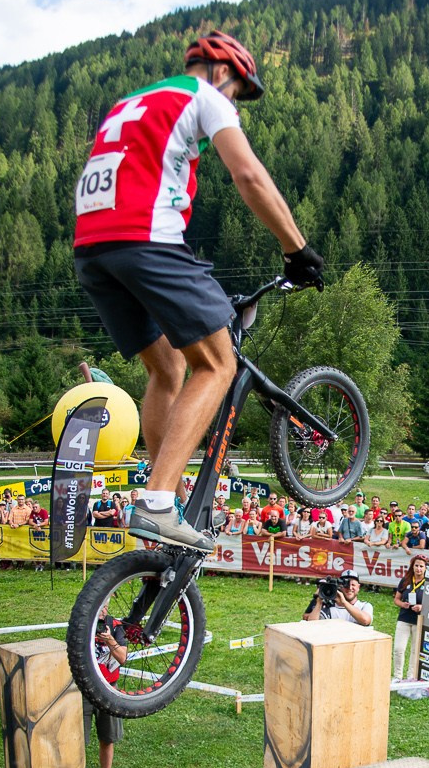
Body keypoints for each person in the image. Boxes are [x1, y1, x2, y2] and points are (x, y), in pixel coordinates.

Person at [70, 30, 321, 551]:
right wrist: (296, 249)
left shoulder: (130, 102)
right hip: (146, 239)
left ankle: (164, 500)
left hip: (92, 247)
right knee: (219, 363)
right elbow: (248, 175)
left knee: (169, 367)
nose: (234, 103)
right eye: (237, 92)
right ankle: (158, 502)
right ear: (222, 71)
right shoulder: (204, 97)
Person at [88, 617, 129, 768]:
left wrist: (109, 640)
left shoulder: (116, 626)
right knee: (76, 738)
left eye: (107, 603)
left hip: (109, 689)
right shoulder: (85, 622)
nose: (104, 607)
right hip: (85, 690)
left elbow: (122, 658)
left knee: (108, 738)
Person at [391, 556, 427, 680]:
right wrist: (403, 604)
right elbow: (396, 599)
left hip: (419, 620)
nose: (418, 568)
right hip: (404, 618)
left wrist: (422, 607)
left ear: (425, 568)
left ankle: (411, 676)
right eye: (416, 565)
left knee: (415, 650)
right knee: (398, 648)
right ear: (412, 566)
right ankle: (397, 676)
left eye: (421, 566)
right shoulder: (406, 580)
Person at [303, 570, 372, 626]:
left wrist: (344, 602)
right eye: (346, 585)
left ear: (358, 587)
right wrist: (319, 601)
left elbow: (365, 621)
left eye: (353, 585)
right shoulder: (329, 606)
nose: (350, 588)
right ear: (340, 586)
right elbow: (311, 626)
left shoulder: (364, 606)